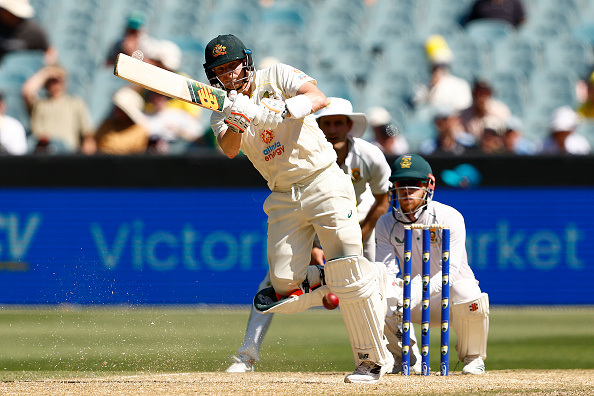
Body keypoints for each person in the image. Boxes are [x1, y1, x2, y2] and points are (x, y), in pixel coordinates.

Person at [205, 34, 392, 384]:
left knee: (348, 263)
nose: (229, 75)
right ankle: (329, 281)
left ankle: (370, 362)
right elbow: (230, 149)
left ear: (246, 61)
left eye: (232, 66)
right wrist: (237, 120)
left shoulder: (276, 76)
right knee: (282, 285)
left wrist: (282, 108)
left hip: (323, 179)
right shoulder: (224, 107)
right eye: (221, 70)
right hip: (281, 196)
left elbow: (317, 98)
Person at [226, 97, 393, 374]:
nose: (333, 129)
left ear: (349, 125)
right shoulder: (299, 151)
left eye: (338, 123)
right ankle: (247, 355)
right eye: (326, 123)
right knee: (274, 283)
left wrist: (362, 233)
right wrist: (317, 249)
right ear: (317, 125)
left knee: (369, 285)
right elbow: (299, 206)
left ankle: (378, 352)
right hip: (309, 228)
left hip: (358, 229)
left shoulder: (368, 155)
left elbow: (382, 199)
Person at [375, 154, 490, 375]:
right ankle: (406, 359)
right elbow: (387, 273)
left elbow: (450, 273)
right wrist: (397, 292)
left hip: (449, 303)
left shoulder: (449, 217)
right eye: (401, 184)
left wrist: (416, 290)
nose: (407, 191)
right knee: (381, 295)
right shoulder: (385, 224)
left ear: (429, 185)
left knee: (467, 291)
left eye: (414, 185)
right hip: (413, 304)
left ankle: (473, 358)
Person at [22, 64, 95, 154]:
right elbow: (27, 91)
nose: (54, 84)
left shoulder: (75, 103)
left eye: (56, 80)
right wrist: (46, 73)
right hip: (42, 151)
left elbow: (87, 136)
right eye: (50, 81)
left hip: (67, 153)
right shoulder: (39, 104)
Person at [413, 35, 473, 113]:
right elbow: (419, 110)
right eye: (436, 67)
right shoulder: (421, 87)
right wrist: (433, 87)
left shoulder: (461, 85)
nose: (439, 70)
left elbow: (464, 110)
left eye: (443, 66)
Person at [94, 86, 149, 155]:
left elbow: (138, 155)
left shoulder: (139, 130)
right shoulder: (106, 124)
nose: (116, 110)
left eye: (120, 109)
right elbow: (94, 144)